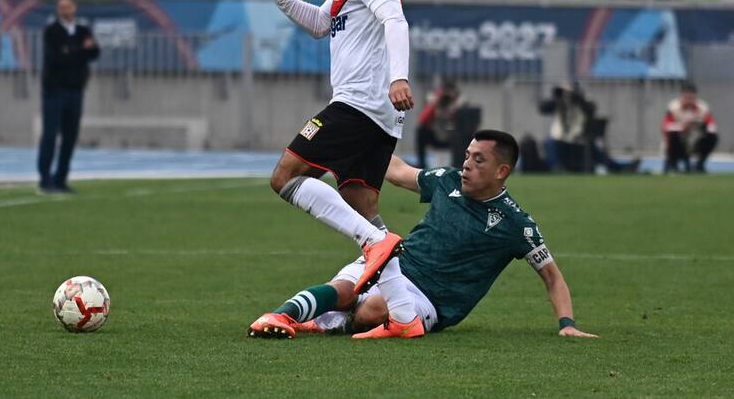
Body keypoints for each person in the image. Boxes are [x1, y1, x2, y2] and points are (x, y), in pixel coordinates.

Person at [248, 0, 418, 329]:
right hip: (377, 116)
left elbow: (394, 20)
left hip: (359, 105)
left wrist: (399, 76)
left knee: (285, 176)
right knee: (363, 208)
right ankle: (403, 315)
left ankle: (370, 243)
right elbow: (320, 23)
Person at [247, 130, 597, 339]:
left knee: (371, 309)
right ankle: (278, 316)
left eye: (478, 160)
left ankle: (328, 324)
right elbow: (398, 171)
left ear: (501, 171)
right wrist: (361, 139)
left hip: (432, 301)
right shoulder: (447, 181)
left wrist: (566, 323)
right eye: (467, 156)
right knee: (345, 289)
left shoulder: (516, 223)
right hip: (395, 261)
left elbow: (552, 277)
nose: (467, 165)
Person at [37, 0, 100, 193]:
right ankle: (45, 178)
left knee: (70, 136)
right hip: (55, 90)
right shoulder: (51, 31)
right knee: (50, 135)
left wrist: (73, 50)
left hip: (75, 90)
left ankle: (61, 178)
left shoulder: (82, 30)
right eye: (60, 7)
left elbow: (94, 52)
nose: (64, 10)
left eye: (67, 6)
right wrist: (78, 51)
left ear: (74, 8)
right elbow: (57, 57)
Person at [662, 81, 718, 173]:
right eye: (687, 97)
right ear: (682, 96)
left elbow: (712, 126)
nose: (689, 100)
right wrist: (683, 126)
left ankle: (700, 165)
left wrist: (702, 126)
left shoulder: (703, 107)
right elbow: (666, 126)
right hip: (678, 141)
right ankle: (674, 165)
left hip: (694, 140)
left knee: (713, 137)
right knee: (673, 135)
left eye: (692, 97)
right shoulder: (673, 107)